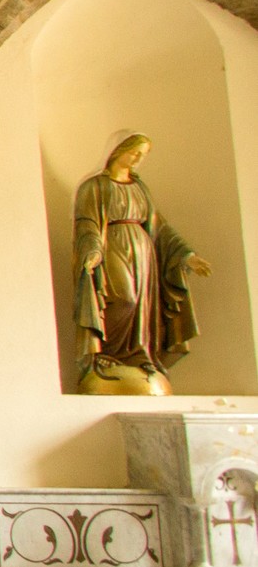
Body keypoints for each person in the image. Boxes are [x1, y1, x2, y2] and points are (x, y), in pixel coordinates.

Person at [73, 131, 209, 395]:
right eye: (134, 152)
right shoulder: (94, 187)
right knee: (124, 299)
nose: (138, 159)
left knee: (142, 307)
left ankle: (137, 354)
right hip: (110, 245)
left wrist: (187, 256)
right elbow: (87, 223)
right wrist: (92, 250)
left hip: (143, 252)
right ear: (118, 150)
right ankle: (108, 353)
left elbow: (160, 228)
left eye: (142, 155)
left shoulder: (140, 188)